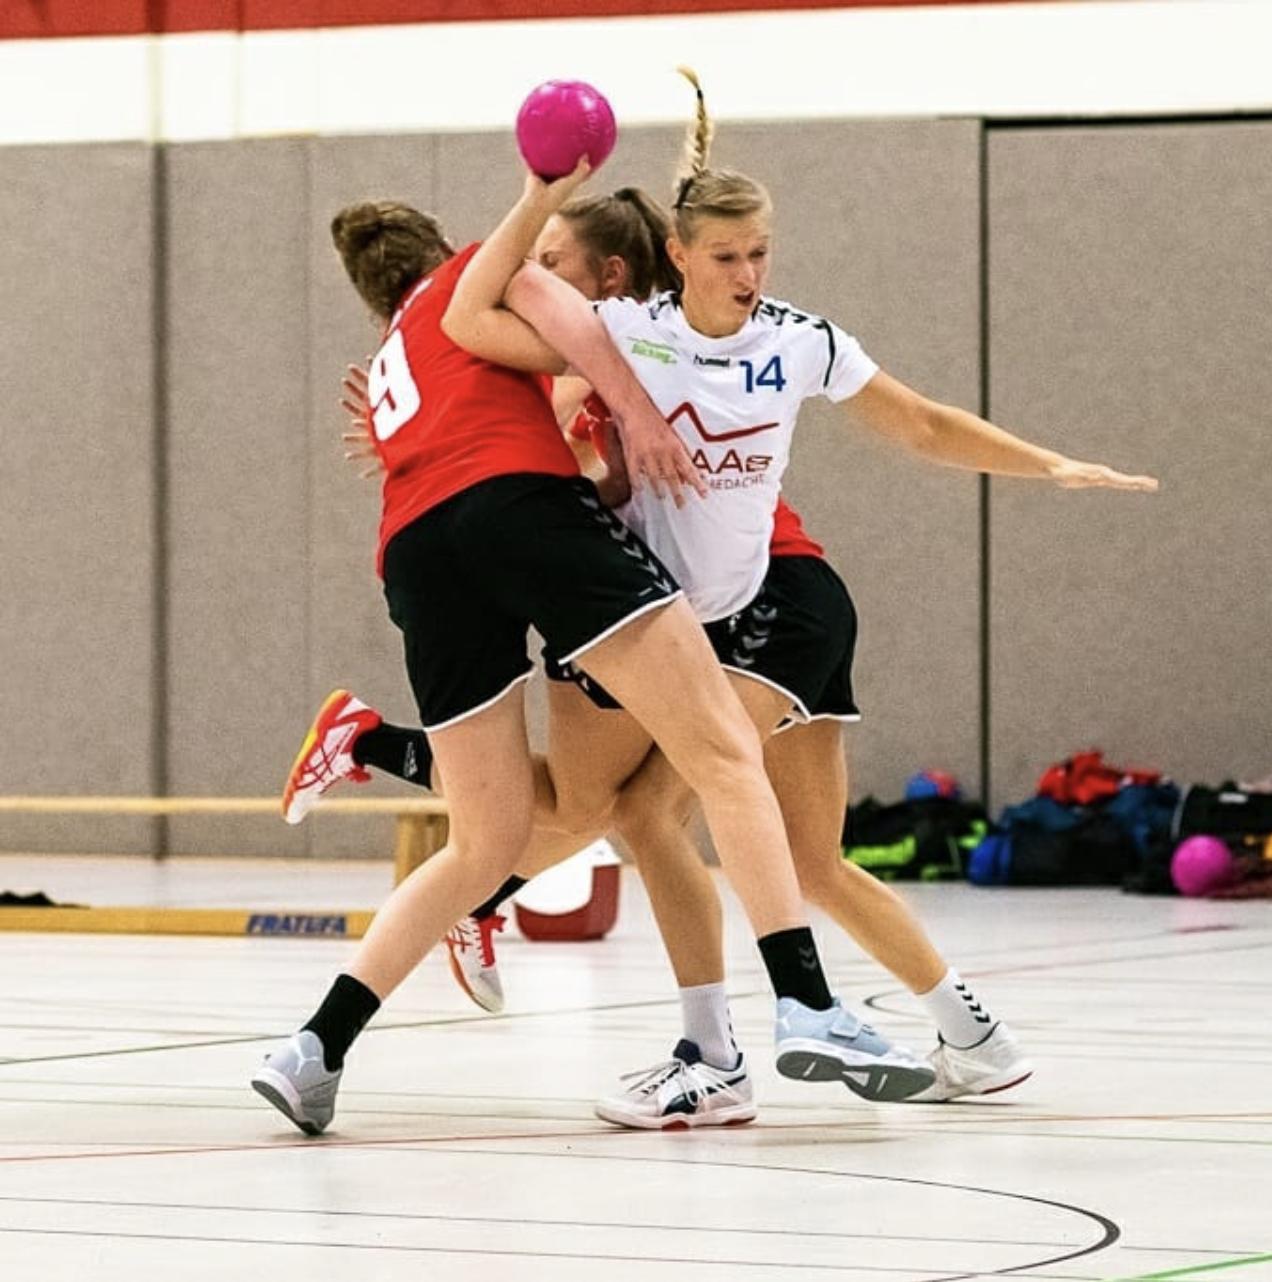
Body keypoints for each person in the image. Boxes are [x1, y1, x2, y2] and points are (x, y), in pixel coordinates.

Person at [253, 177, 934, 1136]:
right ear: (447, 245)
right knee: (721, 760)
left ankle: (314, 1047)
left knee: (489, 840)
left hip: (414, 550)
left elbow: (532, 391)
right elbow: (591, 346)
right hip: (524, 517)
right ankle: (806, 1001)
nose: (541, 267)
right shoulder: (482, 278)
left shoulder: (399, 348)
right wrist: (648, 380)